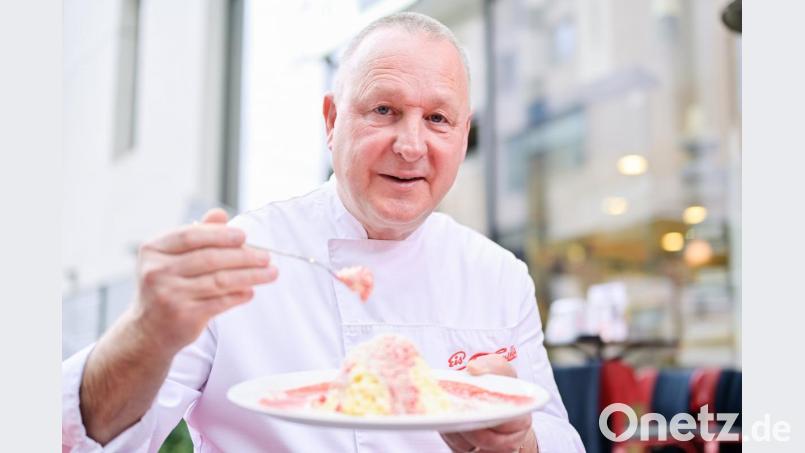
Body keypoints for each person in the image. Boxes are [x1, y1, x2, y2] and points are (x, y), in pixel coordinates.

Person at [62, 12, 584, 453]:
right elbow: (86, 437)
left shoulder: (497, 275)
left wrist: (519, 443)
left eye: (438, 119)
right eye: (384, 110)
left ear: (463, 132)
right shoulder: (244, 255)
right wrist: (145, 332)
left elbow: (557, 438)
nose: (411, 145)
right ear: (332, 119)